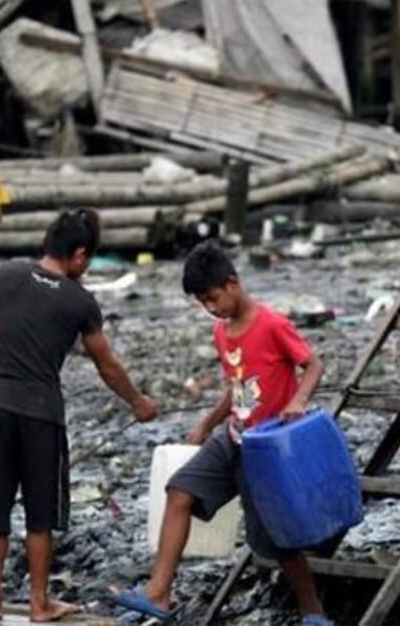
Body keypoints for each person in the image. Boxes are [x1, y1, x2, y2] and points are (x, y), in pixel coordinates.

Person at [111, 241, 331, 626]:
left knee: (278, 539)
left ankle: (314, 612)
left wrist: (297, 401)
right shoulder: (222, 333)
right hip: (233, 436)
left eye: (213, 298)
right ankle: (158, 593)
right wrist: (207, 424)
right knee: (180, 491)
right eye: (203, 303)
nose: (211, 309)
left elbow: (313, 365)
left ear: (232, 283)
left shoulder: (272, 324)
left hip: (267, 446)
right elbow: (237, 388)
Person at [0, 210, 159, 622]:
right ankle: (39, 605)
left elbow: (22, 306)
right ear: (78, 254)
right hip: (41, 414)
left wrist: (63, 280)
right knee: (40, 514)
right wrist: (138, 402)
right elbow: (106, 365)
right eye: (86, 260)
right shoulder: (80, 301)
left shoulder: (7, 274)